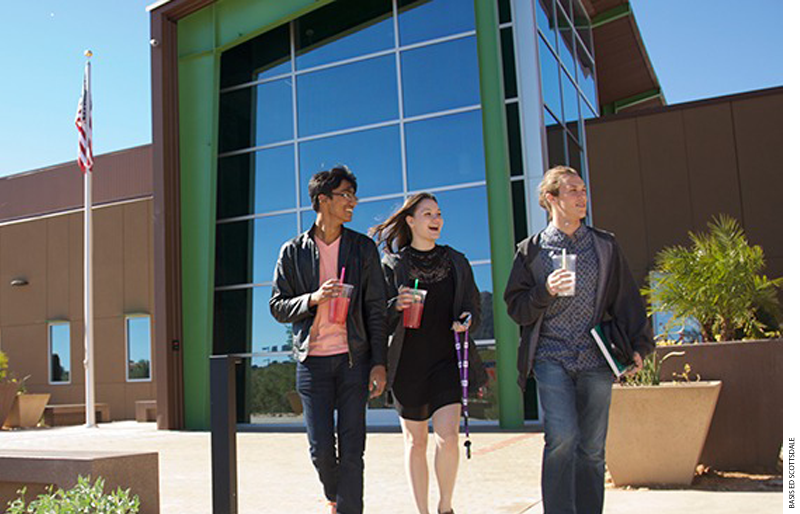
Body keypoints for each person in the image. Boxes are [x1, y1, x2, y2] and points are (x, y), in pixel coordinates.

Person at [503, 165, 653, 514]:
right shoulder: (531, 251)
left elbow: (626, 299)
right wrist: (545, 291)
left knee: (592, 447)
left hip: (596, 358)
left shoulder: (604, 245)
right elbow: (517, 308)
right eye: (572, 190)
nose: (581, 197)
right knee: (562, 437)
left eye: (583, 190)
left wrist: (640, 347)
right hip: (550, 356)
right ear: (550, 199)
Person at [270, 166, 388, 514]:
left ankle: (349, 509)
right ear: (323, 200)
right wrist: (313, 299)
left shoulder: (363, 249)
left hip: (355, 360)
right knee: (320, 448)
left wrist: (378, 363)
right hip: (312, 362)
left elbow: (376, 311)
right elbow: (277, 306)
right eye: (345, 195)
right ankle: (336, 497)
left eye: (354, 195)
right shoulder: (292, 251)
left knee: (353, 447)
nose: (352, 201)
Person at [371, 193, 487, 514]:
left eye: (438, 213)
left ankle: (445, 506)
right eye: (427, 214)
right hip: (407, 364)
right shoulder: (393, 264)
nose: (436, 219)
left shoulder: (457, 261)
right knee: (416, 442)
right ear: (410, 221)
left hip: (446, 360)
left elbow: (472, 306)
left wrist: (467, 320)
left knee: (448, 437)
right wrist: (397, 304)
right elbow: (377, 314)